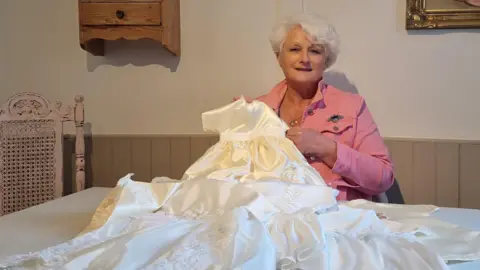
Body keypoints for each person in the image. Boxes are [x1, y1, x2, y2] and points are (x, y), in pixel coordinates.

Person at [235, 13, 394, 201]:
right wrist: (238, 125)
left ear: (326, 61)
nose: (304, 59)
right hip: (274, 219)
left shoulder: (352, 106)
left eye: (315, 51)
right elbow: (236, 178)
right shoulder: (258, 108)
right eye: (294, 49)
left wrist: (325, 147)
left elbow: (383, 177)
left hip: (337, 219)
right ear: (279, 57)